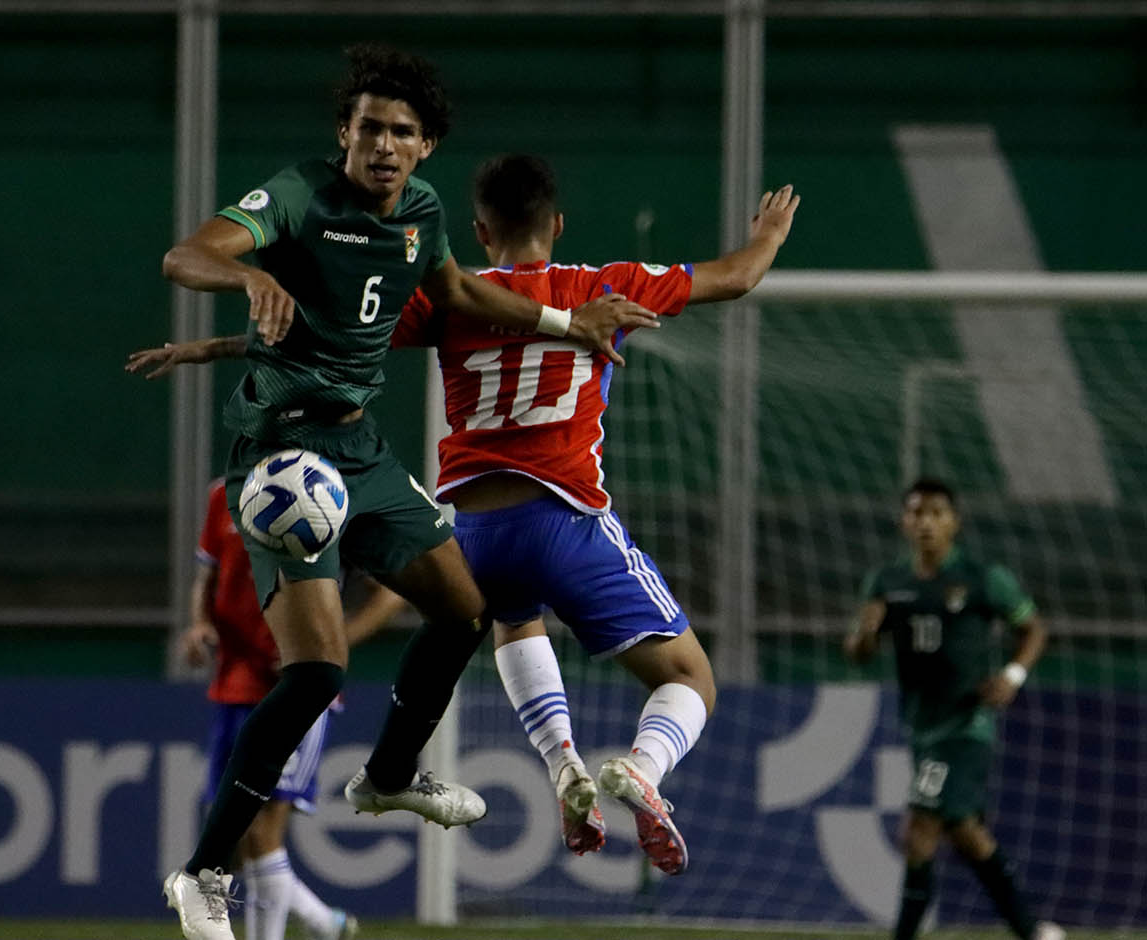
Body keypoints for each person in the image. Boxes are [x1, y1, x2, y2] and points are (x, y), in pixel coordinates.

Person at [132, 153, 799, 875]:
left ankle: (563, 764)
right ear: (559, 224)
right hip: (562, 518)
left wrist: (212, 348)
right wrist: (765, 235)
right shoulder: (600, 288)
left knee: (512, 617)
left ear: (480, 232)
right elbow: (735, 277)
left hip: (469, 530)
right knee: (687, 678)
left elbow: (326, 341)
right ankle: (642, 767)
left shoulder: (452, 299)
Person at [154, 45, 657, 940]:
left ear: (425, 148)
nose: (383, 145)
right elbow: (185, 255)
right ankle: (201, 873)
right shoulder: (301, 196)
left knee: (462, 612)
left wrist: (561, 322)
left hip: (361, 448)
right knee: (315, 672)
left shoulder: (421, 212)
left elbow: (458, 291)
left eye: (403, 132)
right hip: (281, 457)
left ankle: (389, 775)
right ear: (343, 133)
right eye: (370, 128)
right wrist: (249, 273)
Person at [180, 478, 403, 940]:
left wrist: (330, 645)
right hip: (234, 684)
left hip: (297, 691)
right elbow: (207, 575)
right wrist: (200, 623)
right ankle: (325, 923)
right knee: (237, 844)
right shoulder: (224, 493)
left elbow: (390, 594)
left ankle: (303, 928)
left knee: (261, 833)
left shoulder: (330, 494)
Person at [843, 477, 1065, 940]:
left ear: (954, 522)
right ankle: (1032, 930)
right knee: (966, 834)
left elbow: (1033, 629)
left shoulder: (984, 578)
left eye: (936, 513)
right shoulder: (888, 582)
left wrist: (1012, 675)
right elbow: (858, 653)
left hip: (967, 724)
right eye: (916, 513)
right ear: (904, 521)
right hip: (922, 724)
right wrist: (865, 634)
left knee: (919, 827)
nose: (926, 522)